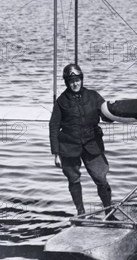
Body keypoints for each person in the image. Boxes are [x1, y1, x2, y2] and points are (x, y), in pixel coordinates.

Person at [49, 63, 116, 219]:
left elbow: (106, 114)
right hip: (68, 146)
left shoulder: (93, 96)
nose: (75, 84)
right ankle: (81, 212)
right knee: (73, 179)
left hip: (92, 144)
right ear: (66, 82)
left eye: (77, 80)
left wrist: (114, 111)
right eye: (71, 81)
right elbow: (53, 126)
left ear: (82, 79)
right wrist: (56, 153)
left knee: (101, 178)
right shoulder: (61, 102)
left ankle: (109, 212)